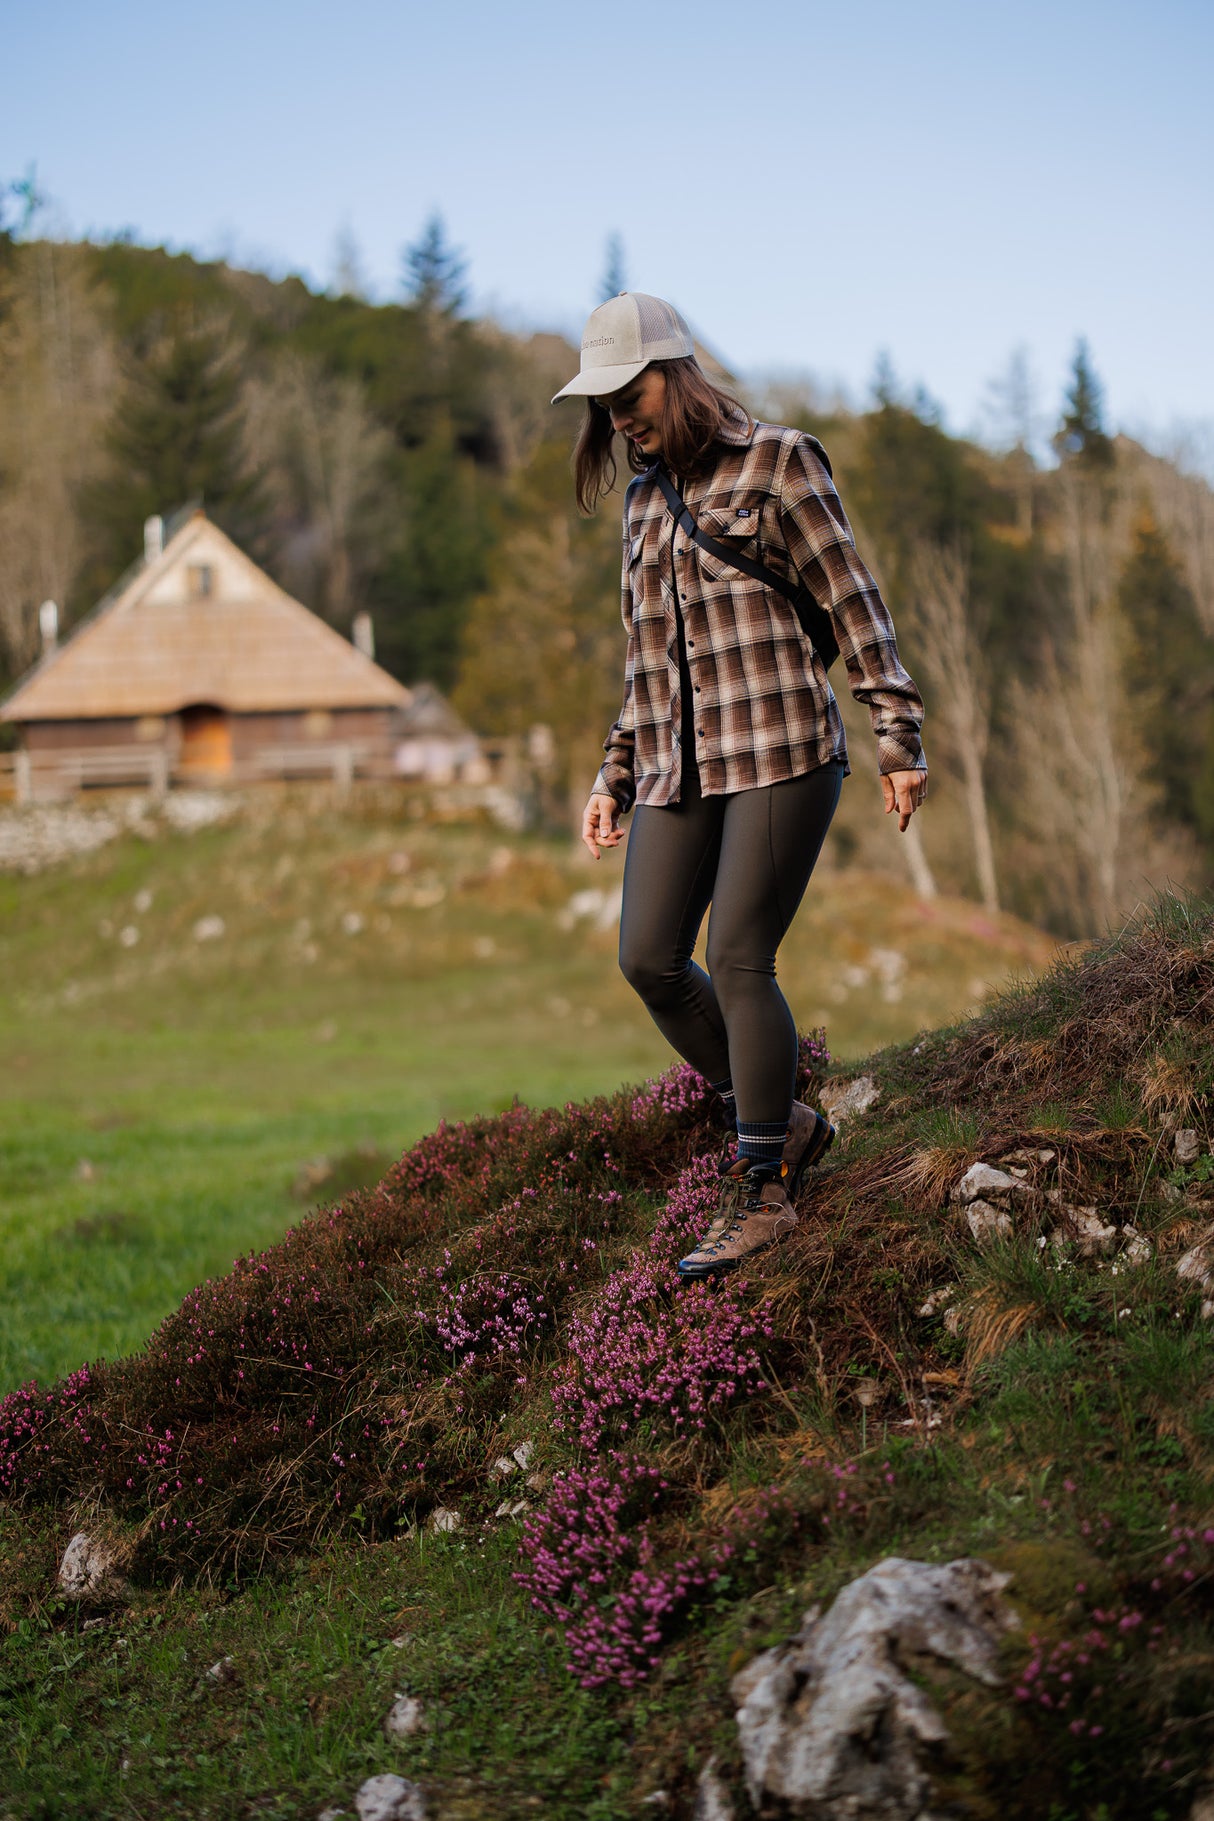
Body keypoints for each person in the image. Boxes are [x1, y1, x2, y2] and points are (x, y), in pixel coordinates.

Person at [552, 292, 927, 1277]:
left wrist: (897, 735)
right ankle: (784, 1119)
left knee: (742, 955)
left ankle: (761, 1186)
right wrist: (614, 774)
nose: (618, 419)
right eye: (602, 407)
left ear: (672, 374)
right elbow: (643, 658)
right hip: (679, 761)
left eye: (626, 394)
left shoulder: (779, 461)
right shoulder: (639, 502)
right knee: (648, 959)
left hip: (780, 748)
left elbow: (854, 607)